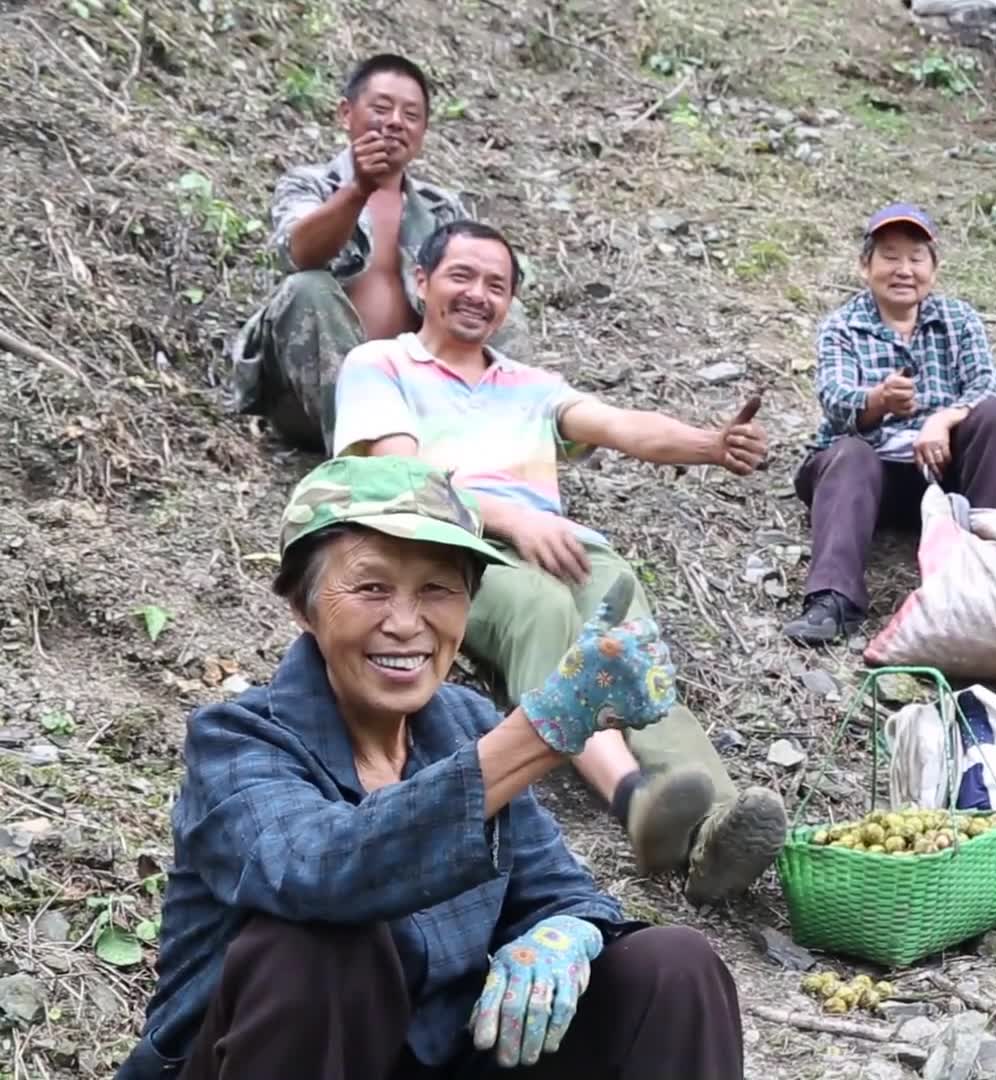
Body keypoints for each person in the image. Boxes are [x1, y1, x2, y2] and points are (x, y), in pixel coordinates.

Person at [116, 455, 743, 1080]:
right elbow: (320, 869)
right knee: (319, 948)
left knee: (671, 965)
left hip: (438, 1059)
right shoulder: (238, 739)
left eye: (438, 589)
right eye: (371, 588)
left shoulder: (463, 725)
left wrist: (564, 933)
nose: (406, 623)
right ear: (303, 607)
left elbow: (557, 891)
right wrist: (541, 732)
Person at [331, 220, 786, 904]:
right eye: (462, 276)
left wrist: (711, 444)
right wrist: (514, 519)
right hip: (446, 545)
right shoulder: (380, 364)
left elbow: (619, 424)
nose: (479, 295)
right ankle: (634, 799)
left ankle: (713, 825)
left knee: (630, 643)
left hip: (558, 544)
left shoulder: (529, 384)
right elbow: (403, 473)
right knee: (543, 610)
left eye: (497, 285)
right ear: (421, 282)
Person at [227, 54, 526, 453]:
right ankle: (368, 458)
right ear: (346, 114)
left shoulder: (441, 210)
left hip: (411, 395)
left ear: (422, 132)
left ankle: (491, 444)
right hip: (307, 398)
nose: (395, 122)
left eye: (411, 115)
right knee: (308, 288)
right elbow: (298, 254)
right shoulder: (311, 185)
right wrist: (358, 190)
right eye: (381, 108)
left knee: (502, 307)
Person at [785, 203, 996, 646]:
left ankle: (987, 578)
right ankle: (833, 601)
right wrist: (877, 401)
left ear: (932, 270)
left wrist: (943, 418)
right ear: (865, 266)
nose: (904, 270)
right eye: (890, 256)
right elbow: (836, 400)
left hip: (942, 476)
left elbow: (987, 383)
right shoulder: (842, 326)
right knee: (851, 453)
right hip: (865, 480)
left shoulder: (958, 320)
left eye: (916, 258)